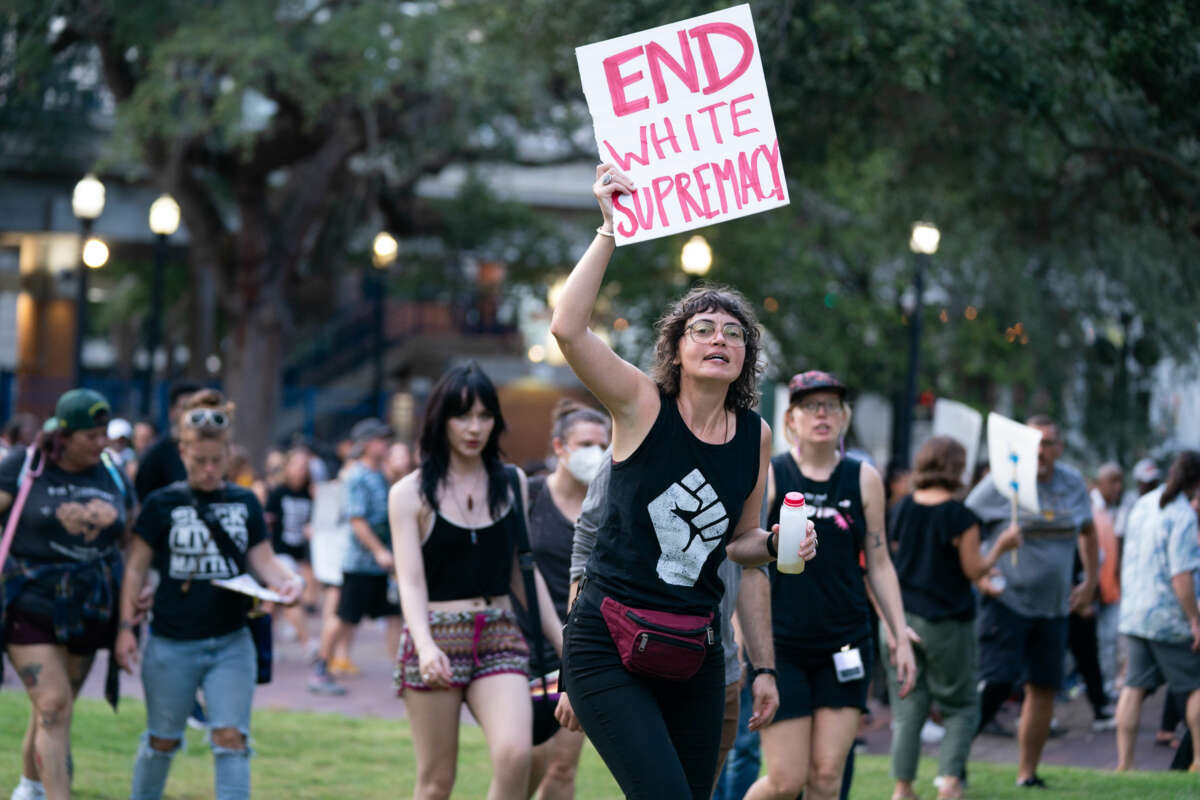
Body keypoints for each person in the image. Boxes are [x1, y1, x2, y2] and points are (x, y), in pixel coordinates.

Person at [548, 163, 812, 799]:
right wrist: (610, 228)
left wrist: (777, 545)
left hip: (693, 647)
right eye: (702, 329)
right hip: (606, 637)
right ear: (676, 348)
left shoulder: (757, 434)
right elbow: (567, 328)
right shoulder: (640, 405)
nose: (719, 338)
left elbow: (741, 543)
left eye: (733, 333)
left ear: (746, 356)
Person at [116, 389, 303, 800]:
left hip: (231, 642)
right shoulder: (161, 503)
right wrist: (126, 627)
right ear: (182, 452)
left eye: (217, 460)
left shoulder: (243, 502)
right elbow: (135, 566)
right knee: (162, 739)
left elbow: (264, 560)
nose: (209, 469)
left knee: (231, 737)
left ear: (228, 454)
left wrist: (287, 583)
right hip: (171, 641)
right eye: (199, 461)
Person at [389, 362, 564, 799]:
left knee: (516, 755)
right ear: (440, 419)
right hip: (437, 637)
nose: (474, 427)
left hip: (499, 633)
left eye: (484, 416)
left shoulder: (511, 482)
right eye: (462, 415)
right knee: (435, 784)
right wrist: (425, 645)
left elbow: (524, 575)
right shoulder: (409, 493)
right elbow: (410, 582)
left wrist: (566, 642)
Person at [744, 371, 915, 800]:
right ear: (791, 419)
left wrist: (900, 633)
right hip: (782, 644)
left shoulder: (864, 478)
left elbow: (879, 564)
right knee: (786, 781)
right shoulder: (772, 475)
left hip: (845, 642)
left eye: (832, 405)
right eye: (810, 406)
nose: (822, 413)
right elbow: (742, 557)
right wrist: (738, 630)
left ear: (844, 416)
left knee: (826, 778)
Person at [1, 389, 135, 800]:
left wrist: (132, 605)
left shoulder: (111, 470)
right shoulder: (26, 466)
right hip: (31, 601)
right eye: (90, 436)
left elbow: (132, 539)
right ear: (63, 435)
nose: (101, 443)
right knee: (54, 705)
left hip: (90, 605)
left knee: (53, 713)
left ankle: (29, 787)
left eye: (103, 434)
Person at [885, 436, 1021, 800]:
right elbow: (974, 569)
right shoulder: (961, 516)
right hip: (948, 622)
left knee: (908, 708)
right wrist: (1002, 548)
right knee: (961, 706)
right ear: (957, 468)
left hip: (905, 619)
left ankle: (902, 789)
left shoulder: (903, 508)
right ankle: (949, 782)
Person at [966, 415, 1097, 788]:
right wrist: (980, 572)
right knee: (996, 683)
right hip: (1007, 601)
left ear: (1059, 448)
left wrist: (1088, 581)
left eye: (1049, 444)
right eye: (1034, 444)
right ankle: (953, 764)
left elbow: (1087, 532)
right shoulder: (1001, 482)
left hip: (1055, 606)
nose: (1041, 452)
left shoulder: (1072, 483)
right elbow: (963, 523)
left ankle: (1027, 774)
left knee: (1043, 688)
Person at [519, 399, 610, 800]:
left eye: (603, 444)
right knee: (526, 759)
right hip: (528, 646)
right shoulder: (530, 496)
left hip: (582, 648)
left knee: (563, 765)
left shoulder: (610, 505)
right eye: (586, 443)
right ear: (560, 447)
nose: (596, 453)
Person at [1113, 451, 1200, 772]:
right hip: (1168, 617)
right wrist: (1195, 619)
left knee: (1133, 687)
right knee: (1194, 684)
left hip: (1135, 611)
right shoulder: (1182, 515)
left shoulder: (1143, 504)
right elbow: (1181, 576)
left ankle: (1125, 764)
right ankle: (1199, 761)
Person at [308, 417, 400, 694]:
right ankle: (321, 667)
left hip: (381, 566)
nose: (386, 444)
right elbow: (356, 519)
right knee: (343, 616)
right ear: (367, 443)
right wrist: (379, 551)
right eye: (380, 439)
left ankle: (401, 673)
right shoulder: (357, 476)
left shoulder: (381, 474)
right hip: (361, 563)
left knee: (395, 616)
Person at [264, 448, 316, 656]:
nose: (301, 470)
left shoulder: (310, 494)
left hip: (300, 555)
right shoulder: (278, 493)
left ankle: (267, 643)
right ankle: (306, 642)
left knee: (273, 602)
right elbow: (266, 523)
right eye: (297, 465)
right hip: (280, 555)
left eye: (305, 466)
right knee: (285, 597)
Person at [134, 382, 201, 502]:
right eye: (185, 407)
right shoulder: (154, 456)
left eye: (197, 407)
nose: (192, 413)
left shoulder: (210, 452)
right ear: (172, 412)